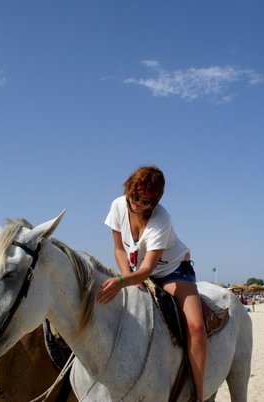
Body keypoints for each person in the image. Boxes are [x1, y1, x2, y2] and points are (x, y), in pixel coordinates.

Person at [96, 165, 207, 402]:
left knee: (196, 327)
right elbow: (118, 249)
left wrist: (122, 281)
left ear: (155, 202)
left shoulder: (161, 220)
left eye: (146, 202)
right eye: (135, 197)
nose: (137, 204)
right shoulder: (118, 205)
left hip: (173, 272)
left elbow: (148, 269)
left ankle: (198, 394)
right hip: (136, 271)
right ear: (129, 190)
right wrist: (126, 278)